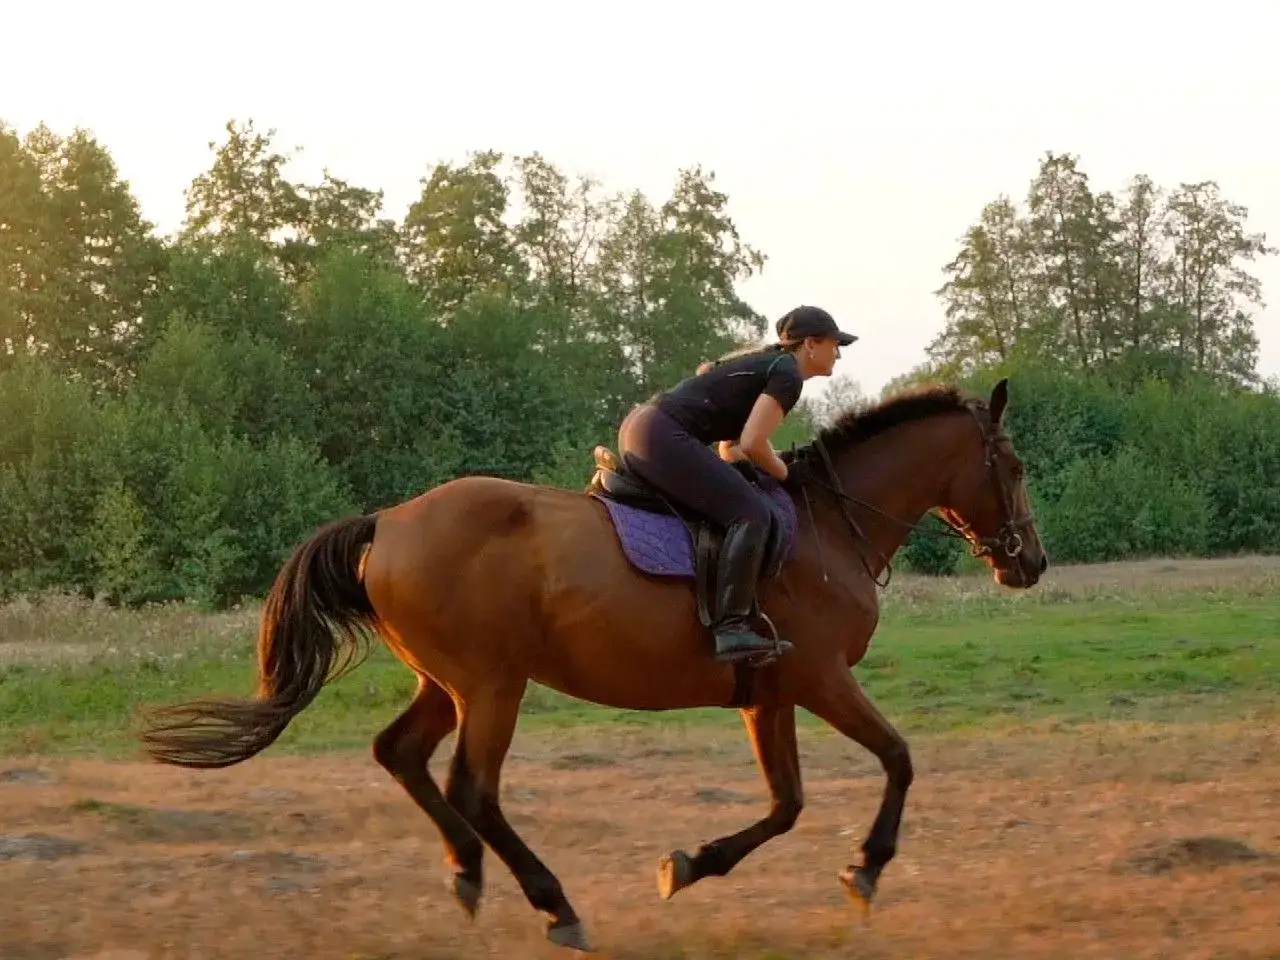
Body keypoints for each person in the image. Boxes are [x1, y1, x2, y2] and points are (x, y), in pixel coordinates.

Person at [617, 305, 857, 662]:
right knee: (753, 515)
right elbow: (753, 444)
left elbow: (731, 449)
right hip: (661, 435)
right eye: (835, 344)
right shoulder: (787, 375)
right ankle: (731, 628)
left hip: (643, 429)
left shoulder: (771, 367)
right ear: (810, 344)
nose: (837, 352)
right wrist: (787, 473)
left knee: (744, 497)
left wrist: (768, 467)